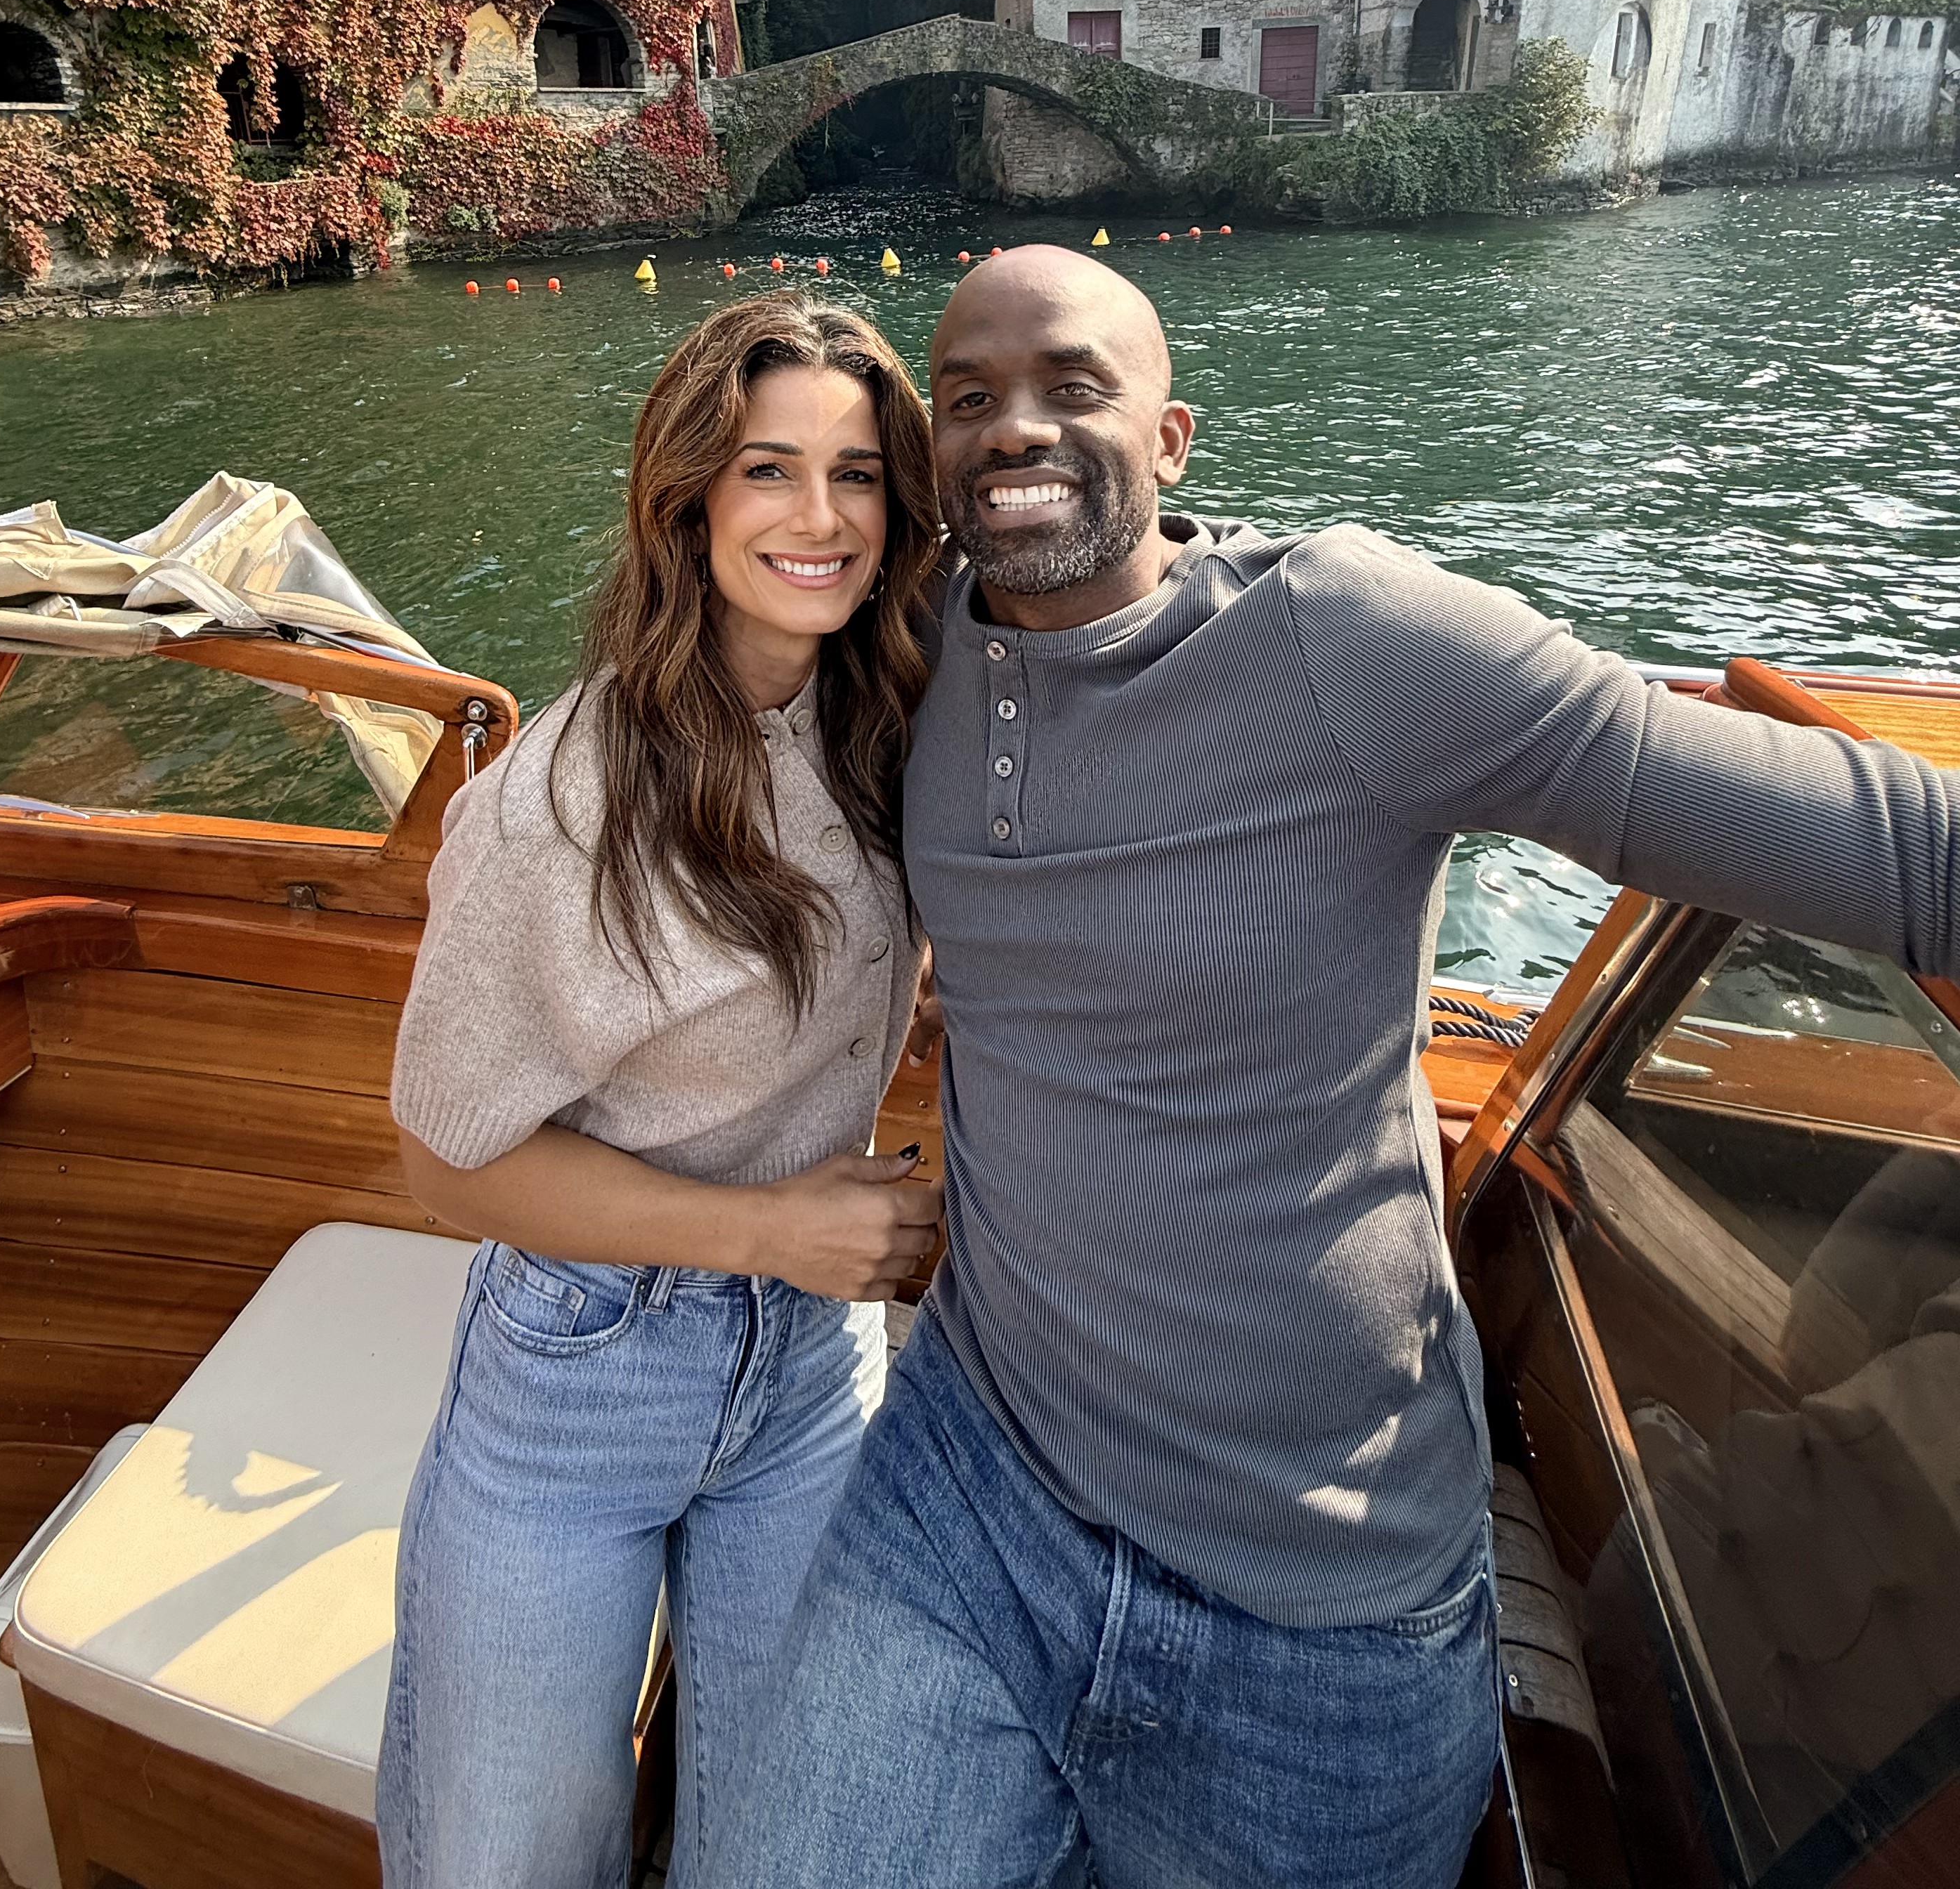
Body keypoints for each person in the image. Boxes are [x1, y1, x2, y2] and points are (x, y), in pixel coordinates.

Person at [706, 244, 1960, 1889]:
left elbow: (1841, 830)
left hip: (1318, 1606)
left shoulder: (1348, 639)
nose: (1013, 427)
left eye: (1073, 387)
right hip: (976, 1482)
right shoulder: (910, 639)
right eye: (967, 400)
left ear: (1172, 440)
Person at [377, 296, 946, 1889]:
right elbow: (445, 1170)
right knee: (506, 1859)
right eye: (770, 470)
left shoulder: (899, 726)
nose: (819, 518)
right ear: (687, 502)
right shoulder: (556, 805)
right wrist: (768, 1230)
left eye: (857, 474)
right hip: (580, 1369)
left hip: (807, 1379)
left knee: (786, 1839)